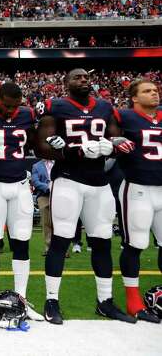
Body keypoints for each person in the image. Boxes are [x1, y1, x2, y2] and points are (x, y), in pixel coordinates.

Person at [36, 68, 133, 324]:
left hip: (99, 183)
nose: (83, 80)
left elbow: (119, 142)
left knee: (102, 242)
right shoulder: (55, 106)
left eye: (86, 77)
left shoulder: (104, 107)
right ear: (66, 82)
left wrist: (112, 147)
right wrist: (75, 151)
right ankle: (52, 301)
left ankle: (105, 301)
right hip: (68, 179)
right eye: (77, 77)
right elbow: (41, 146)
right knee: (60, 241)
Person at [0, 81, 44, 321]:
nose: (10, 111)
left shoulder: (26, 114)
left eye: (14, 107)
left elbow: (37, 138)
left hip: (21, 187)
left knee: (22, 243)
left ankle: (21, 299)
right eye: (6, 106)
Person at [115, 79, 162, 323]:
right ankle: (133, 301)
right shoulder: (124, 117)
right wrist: (115, 142)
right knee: (135, 244)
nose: (154, 93)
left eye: (155, 90)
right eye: (147, 91)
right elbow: (106, 131)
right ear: (134, 98)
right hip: (138, 188)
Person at [31, 158, 53, 256]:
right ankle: (48, 248)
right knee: (46, 222)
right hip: (43, 196)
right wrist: (48, 187)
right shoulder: (36, 166)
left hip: (59, 196)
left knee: (59, 224)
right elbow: (35, 181)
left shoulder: (59, 162)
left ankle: (62, 249)